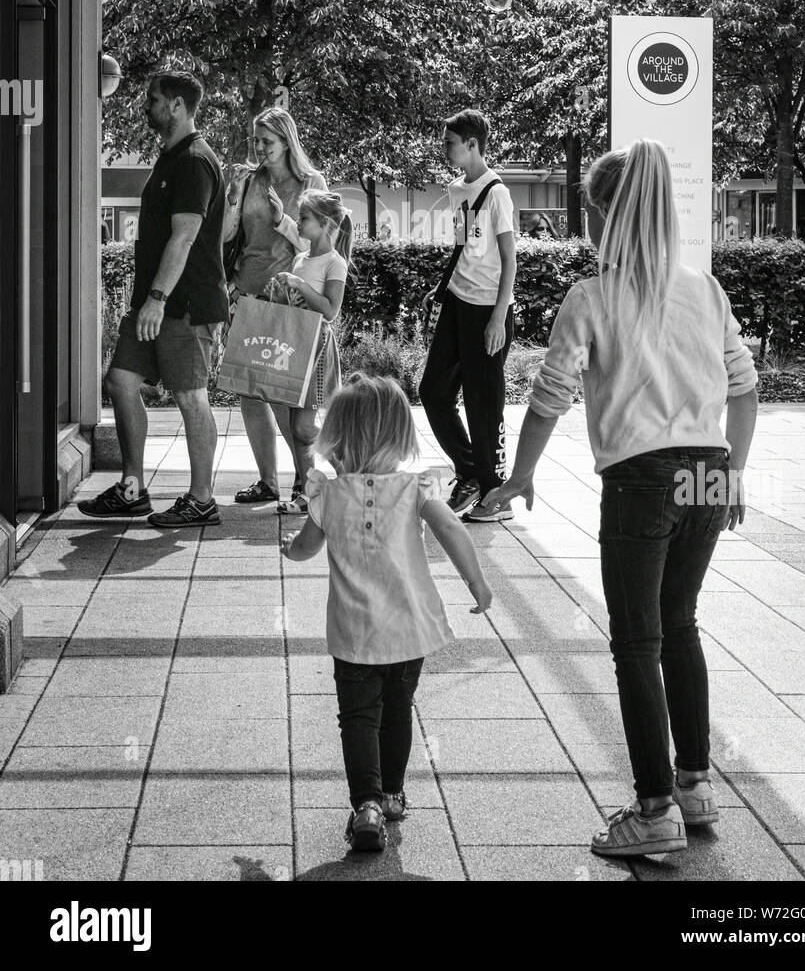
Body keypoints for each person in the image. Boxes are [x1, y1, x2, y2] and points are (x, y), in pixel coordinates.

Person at [484, 139, 759, 859]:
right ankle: (695, 784)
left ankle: (655, 811)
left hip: (642, 481)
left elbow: (550, 397)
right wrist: (734, 473)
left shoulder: (593, 296)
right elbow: (744, 384)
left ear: (607, 213)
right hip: (707, 472)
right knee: (682, 624)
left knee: (637, 643)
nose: (587, 225)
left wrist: (520, 475)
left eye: (589, 212)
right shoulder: (703, 286)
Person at [282, 373, 492, 852]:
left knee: (358, 717)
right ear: (399, 434)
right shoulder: (416, 489)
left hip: (355, 633)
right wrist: (476, 582)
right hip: (409, 630)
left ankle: (367, 805)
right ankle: (394, 795)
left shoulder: (327, 495)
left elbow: (306, 548)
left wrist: (290, 551)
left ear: (338, 437)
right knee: (398, 710)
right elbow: (452, 531)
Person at [80, 72, 229, 527]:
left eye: (154, 99)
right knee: (121, 381)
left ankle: (202, 499)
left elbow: (185, 238)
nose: (147, 105)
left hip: (183, 305)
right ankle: (132, 489)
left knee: (190, 396)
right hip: (155, 303)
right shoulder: (169, 158)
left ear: (178, 106)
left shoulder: (194, 162)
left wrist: (158, 298)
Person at [222, 107, 327, 512]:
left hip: (290, 301)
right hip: (246, 294)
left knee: (284, 394)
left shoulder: (311, 182)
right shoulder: (249, 180)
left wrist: (284, 221)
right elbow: (229, 235)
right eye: (256, 140)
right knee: (250, 392)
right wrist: (232, 197)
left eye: (267, 141)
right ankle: (268, 482)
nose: (259, 148)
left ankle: (305, 481)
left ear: (286, 141)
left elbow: (318, 246)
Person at [418, 109, 517, 522]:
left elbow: (509, 260)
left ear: (472, 144)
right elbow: (465, 249)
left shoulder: (498, 193)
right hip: (458, 302)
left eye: (450, 143)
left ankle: (497, 493)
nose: (444, 149)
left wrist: (498, 317)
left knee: (484, 403)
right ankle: (471, 472)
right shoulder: (457, 190)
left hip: (488, 311)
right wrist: (440, 289)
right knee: (433, 391)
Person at [269, 189, 353, 509]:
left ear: (325, 223)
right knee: (295, 426)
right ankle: (308, 494)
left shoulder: (335, 263)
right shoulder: (300, 258)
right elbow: (295, 303)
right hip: (293, 343)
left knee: (304, 427)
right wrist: (282, 293)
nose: (300, 224)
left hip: (316, 345)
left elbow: (331, 310)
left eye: (304, 218)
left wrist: (300, 285)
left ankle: (348, 474)